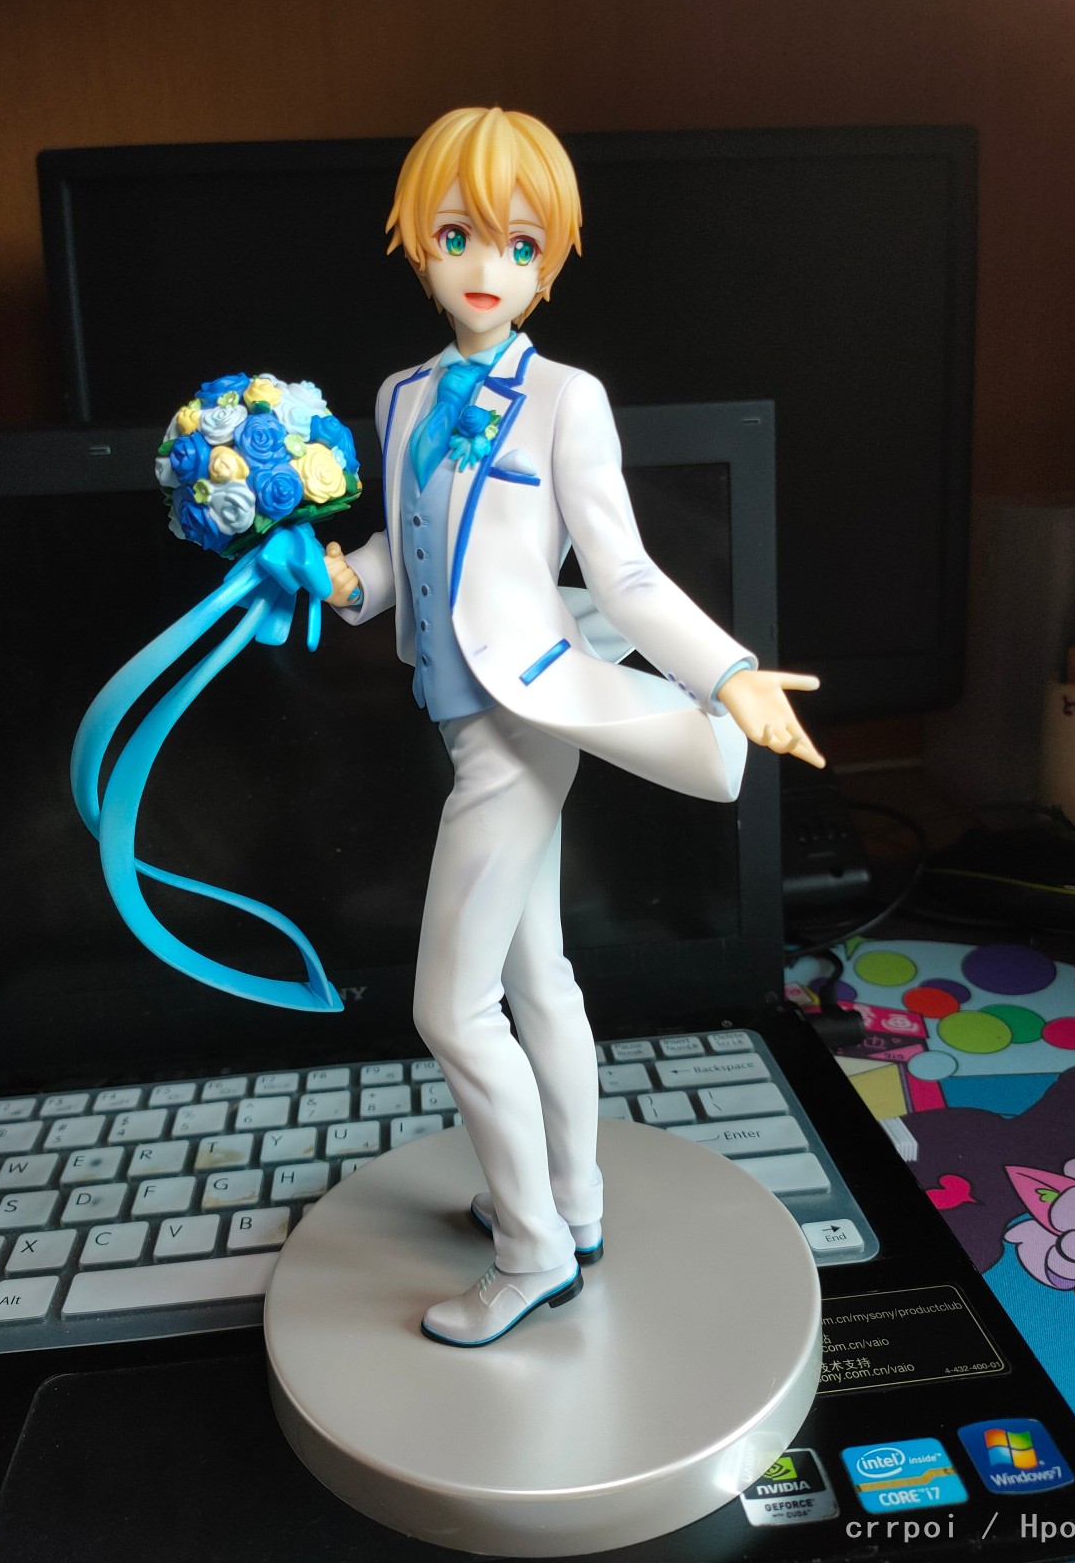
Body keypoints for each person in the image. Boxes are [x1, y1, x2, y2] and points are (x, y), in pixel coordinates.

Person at [323, 106, 824, 1347]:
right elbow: (401, 546)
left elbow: (626, 574)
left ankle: (532, 1248)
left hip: (522, 722)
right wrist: (340, 580)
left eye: (520, 244)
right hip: (455, 718)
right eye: (456, 236)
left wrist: (727, 674)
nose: (485, 267)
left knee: (450, 1008)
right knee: (535, 972)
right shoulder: (399, 396)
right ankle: (577, 1202)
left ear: (550, 260)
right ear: (416, 241)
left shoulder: (565, 398)